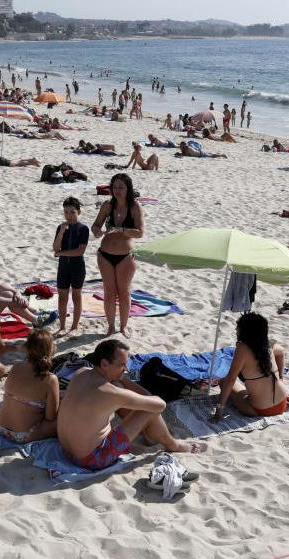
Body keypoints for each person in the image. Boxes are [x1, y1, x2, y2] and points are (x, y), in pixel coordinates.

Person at [58, 339, 201, 469]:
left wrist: (120, 378)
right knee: (148, 409)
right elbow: (159, 405)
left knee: (122, 395)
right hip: (91, 459)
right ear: (104, 364)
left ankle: (151, 434)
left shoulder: (81, 373)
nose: (126, 369)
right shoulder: (110, 392)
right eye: (122, 365)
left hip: (66, 450)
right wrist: (124, 380)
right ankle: (173, 444)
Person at [212, 313, 289, 420]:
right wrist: (280, 379)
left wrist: (219, 411)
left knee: (223, 382)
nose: (236, 330)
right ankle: (288, 398)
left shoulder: (242, 348)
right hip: (282, 403)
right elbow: (281, 352)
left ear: (245, 331)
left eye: (238, 328)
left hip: (260, 410)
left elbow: (231, 379)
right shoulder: (268, 344)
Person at [92, 174, 144, 336]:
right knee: (109, 292)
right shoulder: (107, 205)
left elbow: (140, 233)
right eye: (115, 187)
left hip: (126, 256)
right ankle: (111, 326)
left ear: (128, 188)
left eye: (121, 187)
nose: (117, 190)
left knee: (124, 292)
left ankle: (123, 326)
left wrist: (121, 230)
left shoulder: (135, 207)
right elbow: (95, 226)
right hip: (105, 254)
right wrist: (97, 231)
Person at [0, 330, 60, 443]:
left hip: (0, 427)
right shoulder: (50, 379)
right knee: (64, 419)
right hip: (22, 435)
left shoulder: (16, 367)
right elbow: (50, 417)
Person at [53, 197, 89, 334]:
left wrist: (62, 253)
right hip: (63, 268)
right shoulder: (60, 227)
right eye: (66, 212)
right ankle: (62, 326)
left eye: (72, 212)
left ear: (79, 212)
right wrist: (62, 231)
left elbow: (80, 251)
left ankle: (74, 326)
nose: (69, 215)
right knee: (62, 297)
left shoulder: (83, 229)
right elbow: (55, 249)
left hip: (77, 267)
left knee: (76, 295)